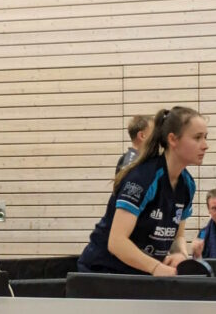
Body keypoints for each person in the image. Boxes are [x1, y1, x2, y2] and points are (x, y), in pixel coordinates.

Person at [78, 106, 207, 276]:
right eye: (197, 138)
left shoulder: (187, 184)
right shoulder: (142, 179)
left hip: (139, 276)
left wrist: (180, 254)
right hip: (103, 273)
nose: (205, 145)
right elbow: (116, 242)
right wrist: (156, 268)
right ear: (173, 139)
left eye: (205, 137)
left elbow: (177, 237)